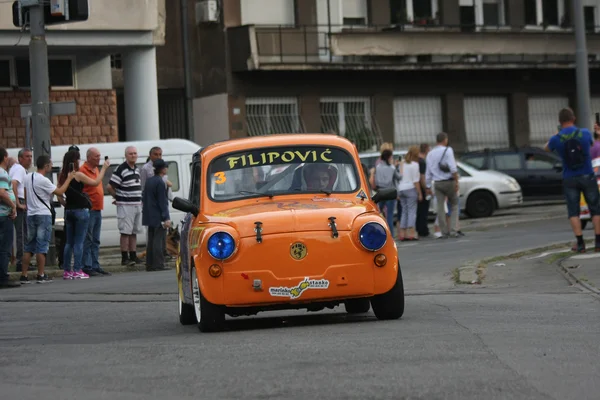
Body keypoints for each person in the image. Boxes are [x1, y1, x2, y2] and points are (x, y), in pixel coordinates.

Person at [545, 108, 600, 253]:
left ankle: (580, 243)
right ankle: (598, 242)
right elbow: (592, 145)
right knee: (595, 209)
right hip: (588, 175)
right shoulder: (585, 133)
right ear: (574, 118)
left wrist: (556, 135)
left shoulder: (556, 139)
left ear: (559, 121)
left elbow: (546, 149)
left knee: (573, 212)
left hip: (569, 178)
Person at [21, 155, 75, 283]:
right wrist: (69, 178)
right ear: (46, 166)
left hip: (31, 214)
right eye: (50, 165)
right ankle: (41, 274)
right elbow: (60, 191)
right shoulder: (44, 180)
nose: (51, 166)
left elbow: (25, 193)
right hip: (43, 214)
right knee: (42, 245)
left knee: (29, 246)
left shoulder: (28, 177)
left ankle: (24, 275)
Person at [58, 150, 110, 280]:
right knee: (79, 242)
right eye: (78, 159)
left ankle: (66, 271)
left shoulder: (62, 175)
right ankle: (77, 270)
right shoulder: (78, 174)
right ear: (75, 161)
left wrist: (65, 204)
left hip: (68, 210)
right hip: (80, 210)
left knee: (69, 243)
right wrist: (104, 168)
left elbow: (59, 193)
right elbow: (95, 182)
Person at [107, 146, 144, 266]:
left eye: (135, 153)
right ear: (126, 155)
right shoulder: (121, 169)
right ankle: (125, 257)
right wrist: (118, 198)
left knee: (134, 231)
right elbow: (110, 186)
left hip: (137, 204)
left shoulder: (137, 169)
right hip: (126, 205)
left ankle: (133, 255)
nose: (133, 155)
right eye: (130, 154)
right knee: (125, 232)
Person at [80, 148, 112, 276]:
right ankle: (87, 265)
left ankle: (95, 264)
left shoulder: (96, 169)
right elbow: (93, 184)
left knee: (96, 239)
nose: (99, 159)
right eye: (96, 157)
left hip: (98, 208)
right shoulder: (83, 170)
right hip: (90, 209)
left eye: (99, 156)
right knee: (88, 239)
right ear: (88, 157)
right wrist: (104, 168)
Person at [425, 132, 459, 239]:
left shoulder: (430, 154)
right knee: (454, 205)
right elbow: (453, 168)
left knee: (440, 208)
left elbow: (428, 172)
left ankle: (444, 232)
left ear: (436, 141)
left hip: (437, 183)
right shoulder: (448, 150)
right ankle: (453, 230)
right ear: (445, 140)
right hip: (449, 181)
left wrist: (427, 186)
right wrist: (456, 181)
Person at [142, 159, 171, 272]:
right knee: (159, 241)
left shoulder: (149, 181)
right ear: (163, 169)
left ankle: (150, 264)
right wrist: (166, 217)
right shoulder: (160, 182)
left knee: (151, 240)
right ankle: (159, 264)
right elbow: (162, 201)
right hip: (158, 215)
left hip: (149, 214)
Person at [9, 148, 33, 272]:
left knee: (20, 233)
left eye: (30, 156)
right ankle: (22, 262)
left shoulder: (15, 168)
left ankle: (21, 261)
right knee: (22, 234)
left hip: (18, 201)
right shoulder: (19, 169)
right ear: (20, 158)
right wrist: (18, 203)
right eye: (27, 156)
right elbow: (14, 183)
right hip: (20, 201)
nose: (30, 159)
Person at [0, 148, 19, 289]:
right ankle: (3, 277)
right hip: (4, 215)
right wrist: (13, 206)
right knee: (5, 248)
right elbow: (1, 193)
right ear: (5, 158)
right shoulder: (1, 173)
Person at [397, 146, 422, 240]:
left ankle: (402, 234)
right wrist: (419, 193)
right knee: (412, 211)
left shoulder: (402, 163)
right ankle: (411, 233)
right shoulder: (415, 165)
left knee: (404, 211)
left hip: (401, 189)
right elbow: (416, 181)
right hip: (410, 188)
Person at [375, 149, 401, 235]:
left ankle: (380, 232)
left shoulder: (378, 167)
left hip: (381, 191)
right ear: (389, 157)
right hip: (390, 192)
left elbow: (376, 181)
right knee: (390, 215)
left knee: (379, 212)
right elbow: (399, 177)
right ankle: (391, 235)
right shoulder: (392, 168)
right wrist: (398, 167)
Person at [416, 143, 430, 237]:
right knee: (423, 210)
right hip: (421, 188)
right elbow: (422, 177)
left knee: (419, 210)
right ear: (426, 150)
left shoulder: (416, 160)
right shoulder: (422, 162)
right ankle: (423, 229)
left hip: (416, 188)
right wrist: (426, 188)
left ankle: (419, 228)